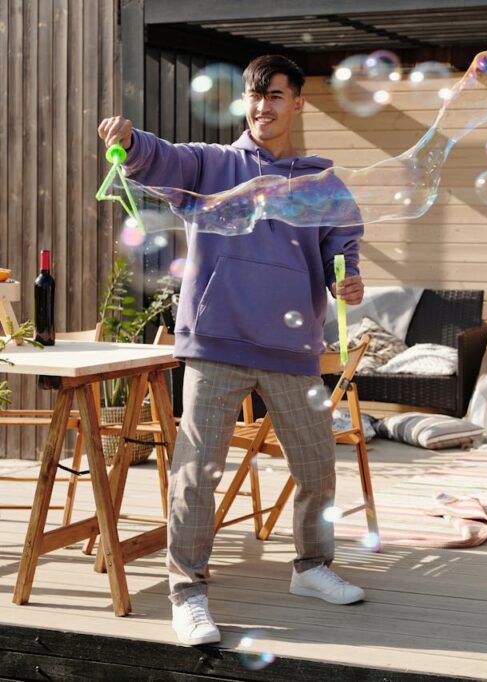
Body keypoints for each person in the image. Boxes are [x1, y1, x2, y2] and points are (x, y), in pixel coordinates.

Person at [97, 54, 367, 646]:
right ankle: (187, 593)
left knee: (318, 467)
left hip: (292, 348)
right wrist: (131, 140)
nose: (262, 105)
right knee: (196, 475)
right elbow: (160, 158)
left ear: (297, 103)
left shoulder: (321, 183)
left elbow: (340, 252)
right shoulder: (213, 164)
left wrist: (348, 278)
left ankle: (312, 567)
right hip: (216, 343)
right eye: (253, 95)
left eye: (274, 95)